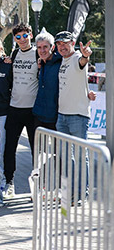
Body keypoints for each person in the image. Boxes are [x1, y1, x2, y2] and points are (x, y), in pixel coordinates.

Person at [55, 31, 93, 201]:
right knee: (66, 158)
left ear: (73, 43)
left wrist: (85, 56)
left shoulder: (77, 57)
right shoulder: (63, 60)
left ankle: (81, 193)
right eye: (59, 44)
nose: (62, 47)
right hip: (62, 116)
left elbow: (82, 62)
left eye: (65, 43)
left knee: (80, 157)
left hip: (78, 116)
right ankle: (70, 192)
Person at [3, 23, 38, 198]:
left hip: (33, 111)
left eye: (25, 35)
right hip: (14, 109)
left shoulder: (38, 53)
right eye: (18, 37)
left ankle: (38, 186)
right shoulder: (14, 54)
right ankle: (9, 183)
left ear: (30, 35)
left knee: (36, 150)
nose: (22, 40)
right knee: (9, 148)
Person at [33, 32, 61, 134]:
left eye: (45, 47)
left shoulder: (61, 63)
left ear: (52, 47)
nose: (42, 50)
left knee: (57, 145)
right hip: (39, 115)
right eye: (39, 47)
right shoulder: (41, 63)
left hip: (55, 117)